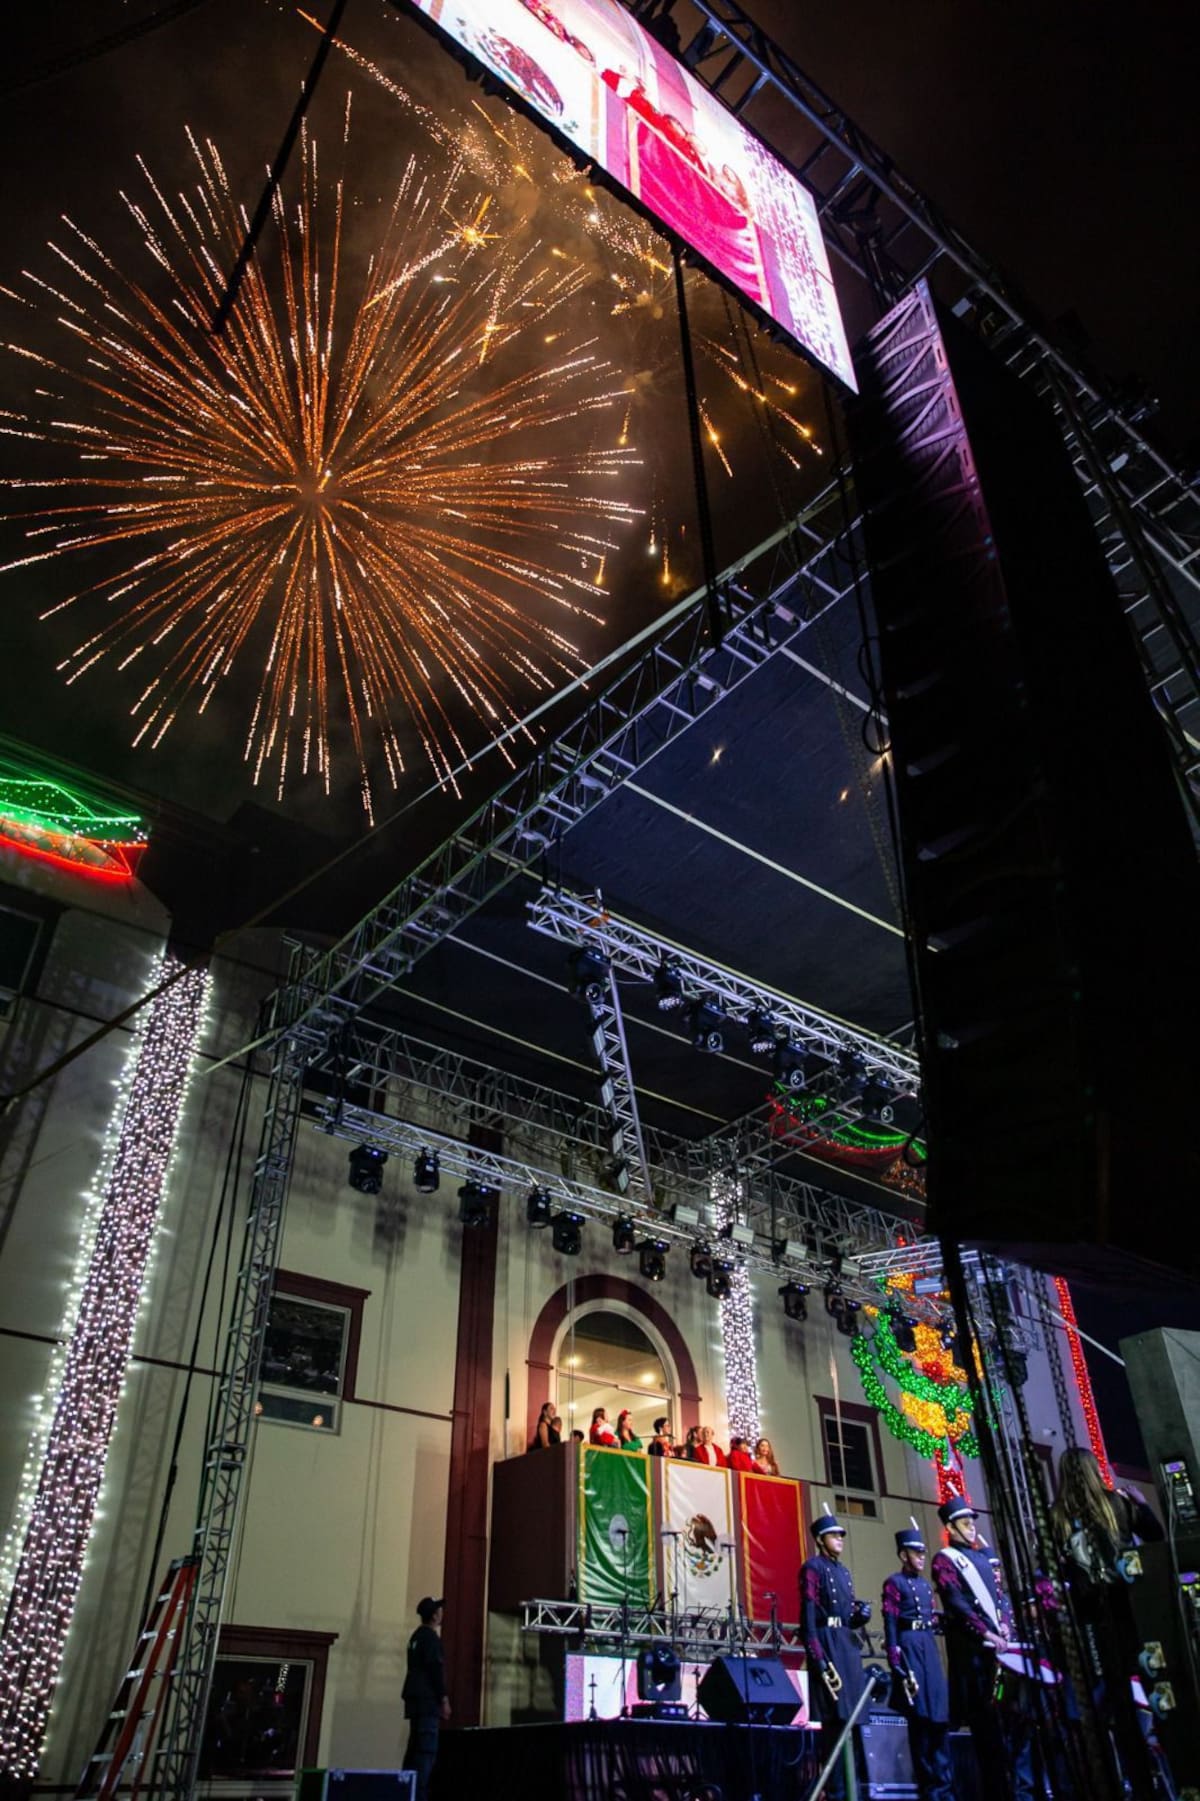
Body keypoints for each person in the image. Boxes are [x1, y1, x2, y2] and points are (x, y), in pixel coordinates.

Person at [1049, 1446, 1167, 1797]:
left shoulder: (1058, 1515)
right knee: (1148, 1687)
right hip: (1127, 1609)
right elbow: (1155, 1535)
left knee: (1108, 1703)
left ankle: (1118, 1781)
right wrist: (1141, 1504)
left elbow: (1054, 1566)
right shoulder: (1116, 1503)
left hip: (1092, 1619)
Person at [931, 1497, 1033, 1801]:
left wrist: (1005, 1627)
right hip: (974, 1660)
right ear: (950, 1527)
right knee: (988, 1737)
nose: (972, 1528)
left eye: (973, 1522)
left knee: (1016, 1730)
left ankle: (1022, 1793)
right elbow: (956, 1602)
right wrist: (986, 1630)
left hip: (1000, 1656)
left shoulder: (983, 1558)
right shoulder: (945, 1560)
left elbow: (1000, 1597)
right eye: (965, 1523)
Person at [801, 1512, 869, 1801]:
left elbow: (844, 1614)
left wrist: (859, 1617)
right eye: (834, 1535)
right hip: (827, 1645)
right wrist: (819, 1660)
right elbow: (809, 1619)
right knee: (834, 1727)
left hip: (846, 1645)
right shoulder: (812, 1568)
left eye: (841, 1535)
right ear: (820, 1539)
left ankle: (854, 1790)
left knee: (853, 1723)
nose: (840, 1539)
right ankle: (837, 1792)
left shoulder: (843, 1571)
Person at [883, 1528, 952, 1801]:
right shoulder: (894, 1583)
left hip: (928, 1646)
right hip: (910, 1644)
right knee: (920, 1719)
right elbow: (890, 1622)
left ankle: (945, 1788)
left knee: (938, 1717)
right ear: (903, 1554)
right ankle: (929, 1790)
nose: (922, 1557)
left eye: (923, 1552)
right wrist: (895, 1658)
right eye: (916, 1552)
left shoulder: (925, 1586)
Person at [402, 1596, 449, 1801]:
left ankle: (406, 1793)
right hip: (427, 1701)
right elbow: (435, 1670)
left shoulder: (415, 1637)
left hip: (414, 1700)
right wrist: (444, 1699)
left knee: (413, 1751)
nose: (442, 1613)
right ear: (434, 1616)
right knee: (425, 1754)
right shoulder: (431, 1639)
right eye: (439, 1610)